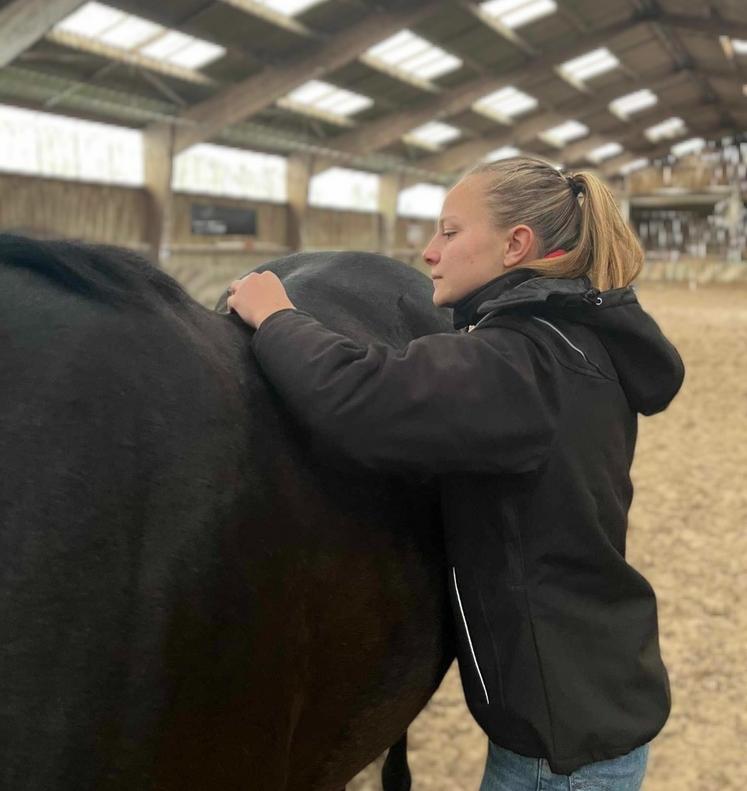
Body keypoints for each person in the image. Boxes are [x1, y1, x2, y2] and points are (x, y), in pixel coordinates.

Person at [226, 156, 684, 790]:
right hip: (581, 702)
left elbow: (364, 397)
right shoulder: (572, 342)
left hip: (560, 755)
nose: (429, 252)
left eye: (449, 231)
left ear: (515, 244)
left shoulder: (520, 362)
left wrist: (276, 315)